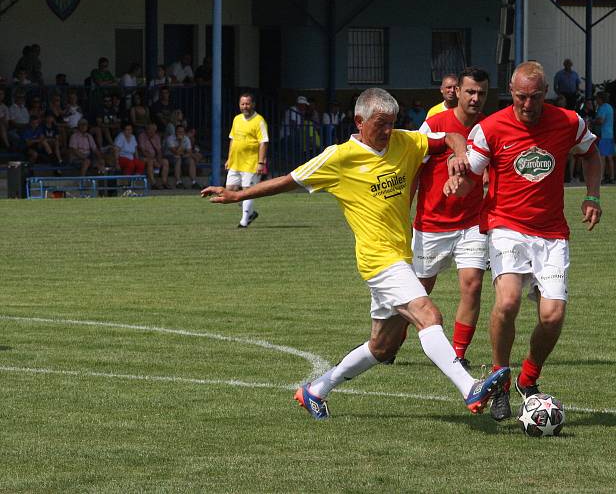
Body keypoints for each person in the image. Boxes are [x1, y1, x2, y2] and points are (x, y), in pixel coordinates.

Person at [201, 87, 510, 420]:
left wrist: (460, 152)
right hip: (378, 261)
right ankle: (469, 388)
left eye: (393, 123)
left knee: (382, 346)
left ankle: (315, 390)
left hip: (400, 256)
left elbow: (448, 136)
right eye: (381, 124)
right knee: (428, 315)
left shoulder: (406, 141)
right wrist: (238, 195)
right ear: (359, 121)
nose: (388, 131)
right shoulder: (338, 158)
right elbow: (289, 180)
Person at [443, 61, 601, 421]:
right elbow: (473, 175)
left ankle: (528, 379)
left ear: (545, 92)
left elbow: (592, 154)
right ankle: (500, 378)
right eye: (520, 97)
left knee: (553, 315)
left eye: (534, 97)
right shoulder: (491, 128)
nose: (527, 105)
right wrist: (458, 184)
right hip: (506, 226)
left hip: (551, 232)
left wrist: (592, 196)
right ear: (510, 93)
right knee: (509, 301)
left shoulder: (568, 122)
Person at [415, 66, 490, 368]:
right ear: (457, 91)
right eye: (470, 91)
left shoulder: (489, 128)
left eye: (482, 93)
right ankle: (386, 341)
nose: (475, 98)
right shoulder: (433, 124)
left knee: (472, 285)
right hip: (432, 223)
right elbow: (411, 170)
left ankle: (457, 355)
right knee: (417, 292)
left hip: (472, 223)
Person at [225, 93, 269, 228]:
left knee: (247, 190)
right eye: (242, 104)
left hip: (251, 162)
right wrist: (229, 158)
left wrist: (261, 162)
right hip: (236, 162)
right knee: (230, 191)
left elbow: (263, 142)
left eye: (247, 104)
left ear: (253, 104)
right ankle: (250, 212)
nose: (245, 106)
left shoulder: (259, 120)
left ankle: (244, 221)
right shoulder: (236, 119)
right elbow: (232, 139)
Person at [164, 124, 199, 188]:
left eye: (182, 132)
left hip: (182, 156)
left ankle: (194, 182)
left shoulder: (186, 139)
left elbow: (189, 152)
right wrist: (181, 142)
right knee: (178, 159)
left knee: (191, 160)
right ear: (175, 132)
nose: (180, 133)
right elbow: (175, 152)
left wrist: (184, 154)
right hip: (169, 157)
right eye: (179, 132)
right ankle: (178, 182)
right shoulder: (170, 139)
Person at [138, 123, 169, 189]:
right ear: (147, 130)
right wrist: (153, 160)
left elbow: (159, 151)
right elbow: (143, 151)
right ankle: (153, 183)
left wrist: (159, 160)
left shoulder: (156, 137)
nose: (152, 132)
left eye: (154, 130)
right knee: (150, 161)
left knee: (165, 161)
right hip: (144, 157)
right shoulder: (142, 136)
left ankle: (164, 182)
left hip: (155, 158)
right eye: (151, 129)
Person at [593, 92, 615, 184]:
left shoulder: (602, 108)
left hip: (603, 134)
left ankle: (601, 177)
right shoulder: (610, 107)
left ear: (601, 99)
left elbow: (601, 121)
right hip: (610, 134)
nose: (596, 100)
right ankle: (612, 176)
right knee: (609, 157)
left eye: (597, 98)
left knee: (602, 157)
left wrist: (593, 121)